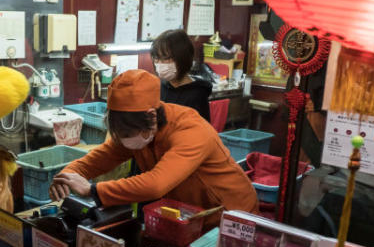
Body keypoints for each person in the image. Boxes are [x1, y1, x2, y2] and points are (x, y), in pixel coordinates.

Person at [49, 70, 258, 227]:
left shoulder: (191, 130)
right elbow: (98, 159)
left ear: (150, 115)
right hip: (190, 216)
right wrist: (67, 175)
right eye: (119, 136)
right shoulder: (136, 131)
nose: (124, 141)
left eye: (128, 135)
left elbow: (156, 184)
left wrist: (93, 190)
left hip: (231, 214)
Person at [151, 29, 213, 123]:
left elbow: (201, 131)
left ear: (182, 58)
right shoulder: (159, 87)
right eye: (156, 58)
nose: (159, 64)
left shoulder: (197, 94)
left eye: (165, 58)